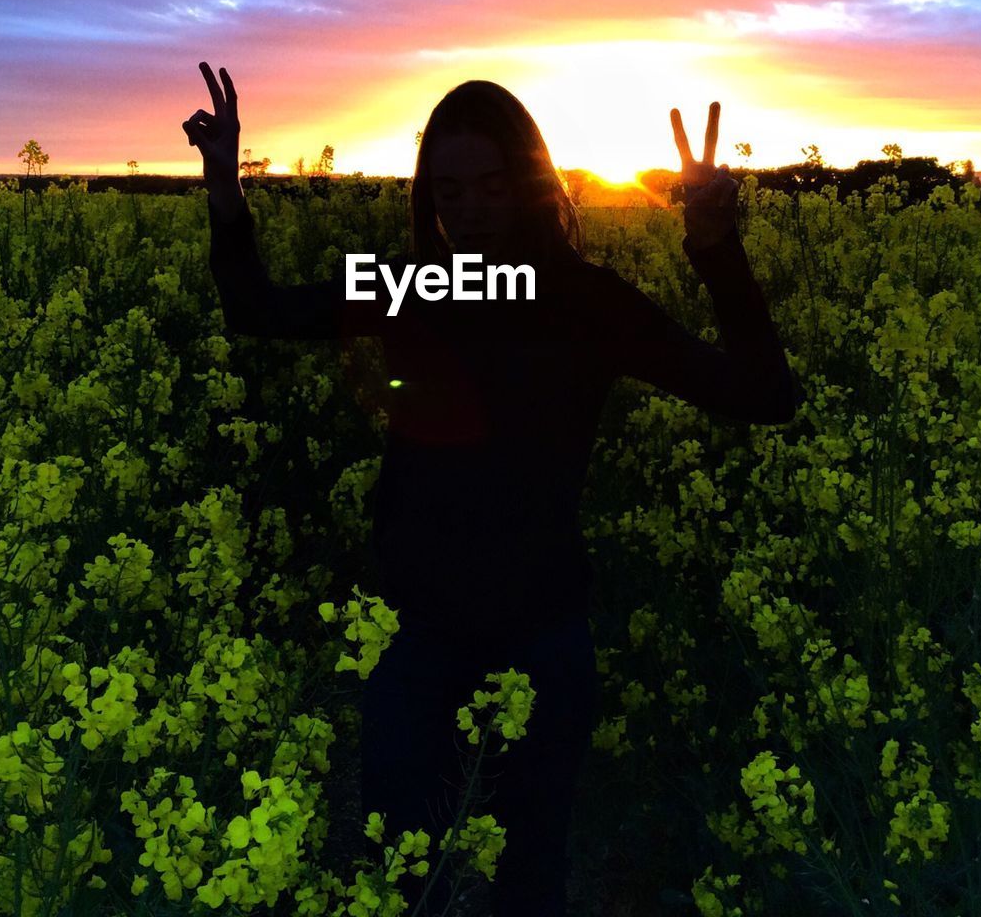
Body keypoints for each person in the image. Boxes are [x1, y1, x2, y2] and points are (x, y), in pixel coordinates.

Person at [183, 62, 803, 915]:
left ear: (531, 186)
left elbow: (765, 397)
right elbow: (257, 309)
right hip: (414, 638)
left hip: (540, 639)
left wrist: (715, 248)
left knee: (528, 886)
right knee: (402, 884)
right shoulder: (415, 286)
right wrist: (224, 187)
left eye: (490, 187)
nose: (468, 211)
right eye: (448, 191)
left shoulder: (587, 303)